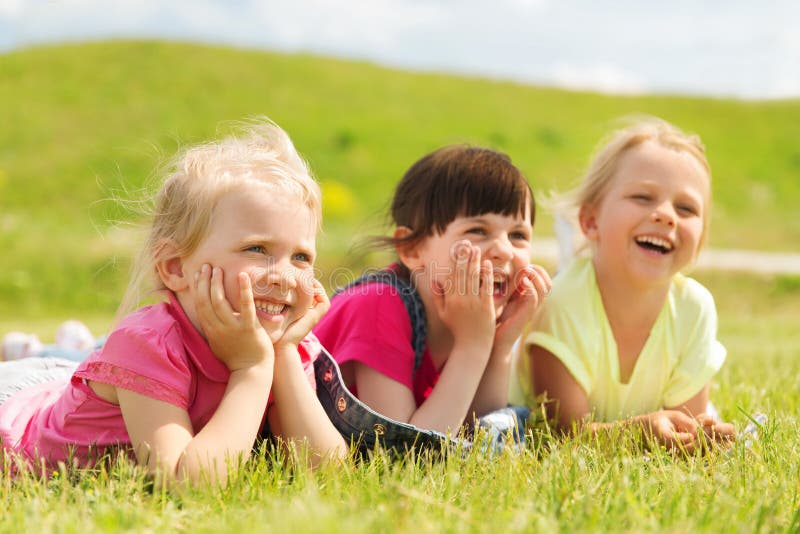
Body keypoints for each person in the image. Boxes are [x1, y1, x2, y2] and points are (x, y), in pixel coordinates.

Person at [0, 119, 347, 484]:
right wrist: (252, 369)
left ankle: (59, 350)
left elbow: (325, 472)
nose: (284, 276)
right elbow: (185, 483)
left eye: (301, 258)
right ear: (175, 268)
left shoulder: (284, 344)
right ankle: (47, 354)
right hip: (15, 414)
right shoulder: (148, 342)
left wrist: (283, 356)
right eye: (256, 249)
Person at [512, 117, 735, 452]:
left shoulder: (695, 308)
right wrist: (638, 434)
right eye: (643, 197)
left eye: (686, 208)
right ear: (590, 221)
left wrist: (697, 437)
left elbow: (685, 426)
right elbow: (559, 434)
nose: (666, 215)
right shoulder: (564, 301)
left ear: (701, 239)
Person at [314, 145, 552, 436]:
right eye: (477, 231)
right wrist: (473, 346)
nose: (503, 250)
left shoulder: (468, 315)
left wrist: (499, 344)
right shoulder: (378, 306)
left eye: (518, 235)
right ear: (412, 249)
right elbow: (406, 452)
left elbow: (477, 433)